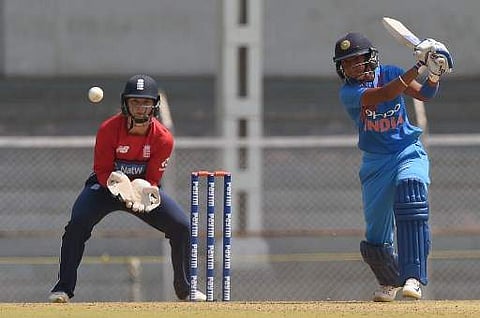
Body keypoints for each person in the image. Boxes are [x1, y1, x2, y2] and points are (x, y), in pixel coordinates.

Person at [49, 74, 206, 302]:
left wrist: (140, 190)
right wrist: (117, 185)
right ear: (126, 104)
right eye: (135, 102)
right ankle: (63, 288)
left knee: (181, 226)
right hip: (105, 189)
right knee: (76, 225)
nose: (141, 108)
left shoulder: (163, 139)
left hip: (141, 193)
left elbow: (153, 179)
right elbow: (102, 170)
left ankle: (186, 289)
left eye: (146, 103)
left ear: (155, 106)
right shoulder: (108, 129)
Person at [332, 33, 453, 302]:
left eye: (357, 61)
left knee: (411, 193)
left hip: (407, 151)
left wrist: (434, 73)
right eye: (347, 64)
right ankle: (389, 280)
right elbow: (386, 94)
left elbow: (425, 94)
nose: (352, 68)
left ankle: (413, 277)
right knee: (376, 236)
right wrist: (419, 66)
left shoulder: (390, 73)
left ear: (370, 58)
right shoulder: (349, 93)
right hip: (375, 162)